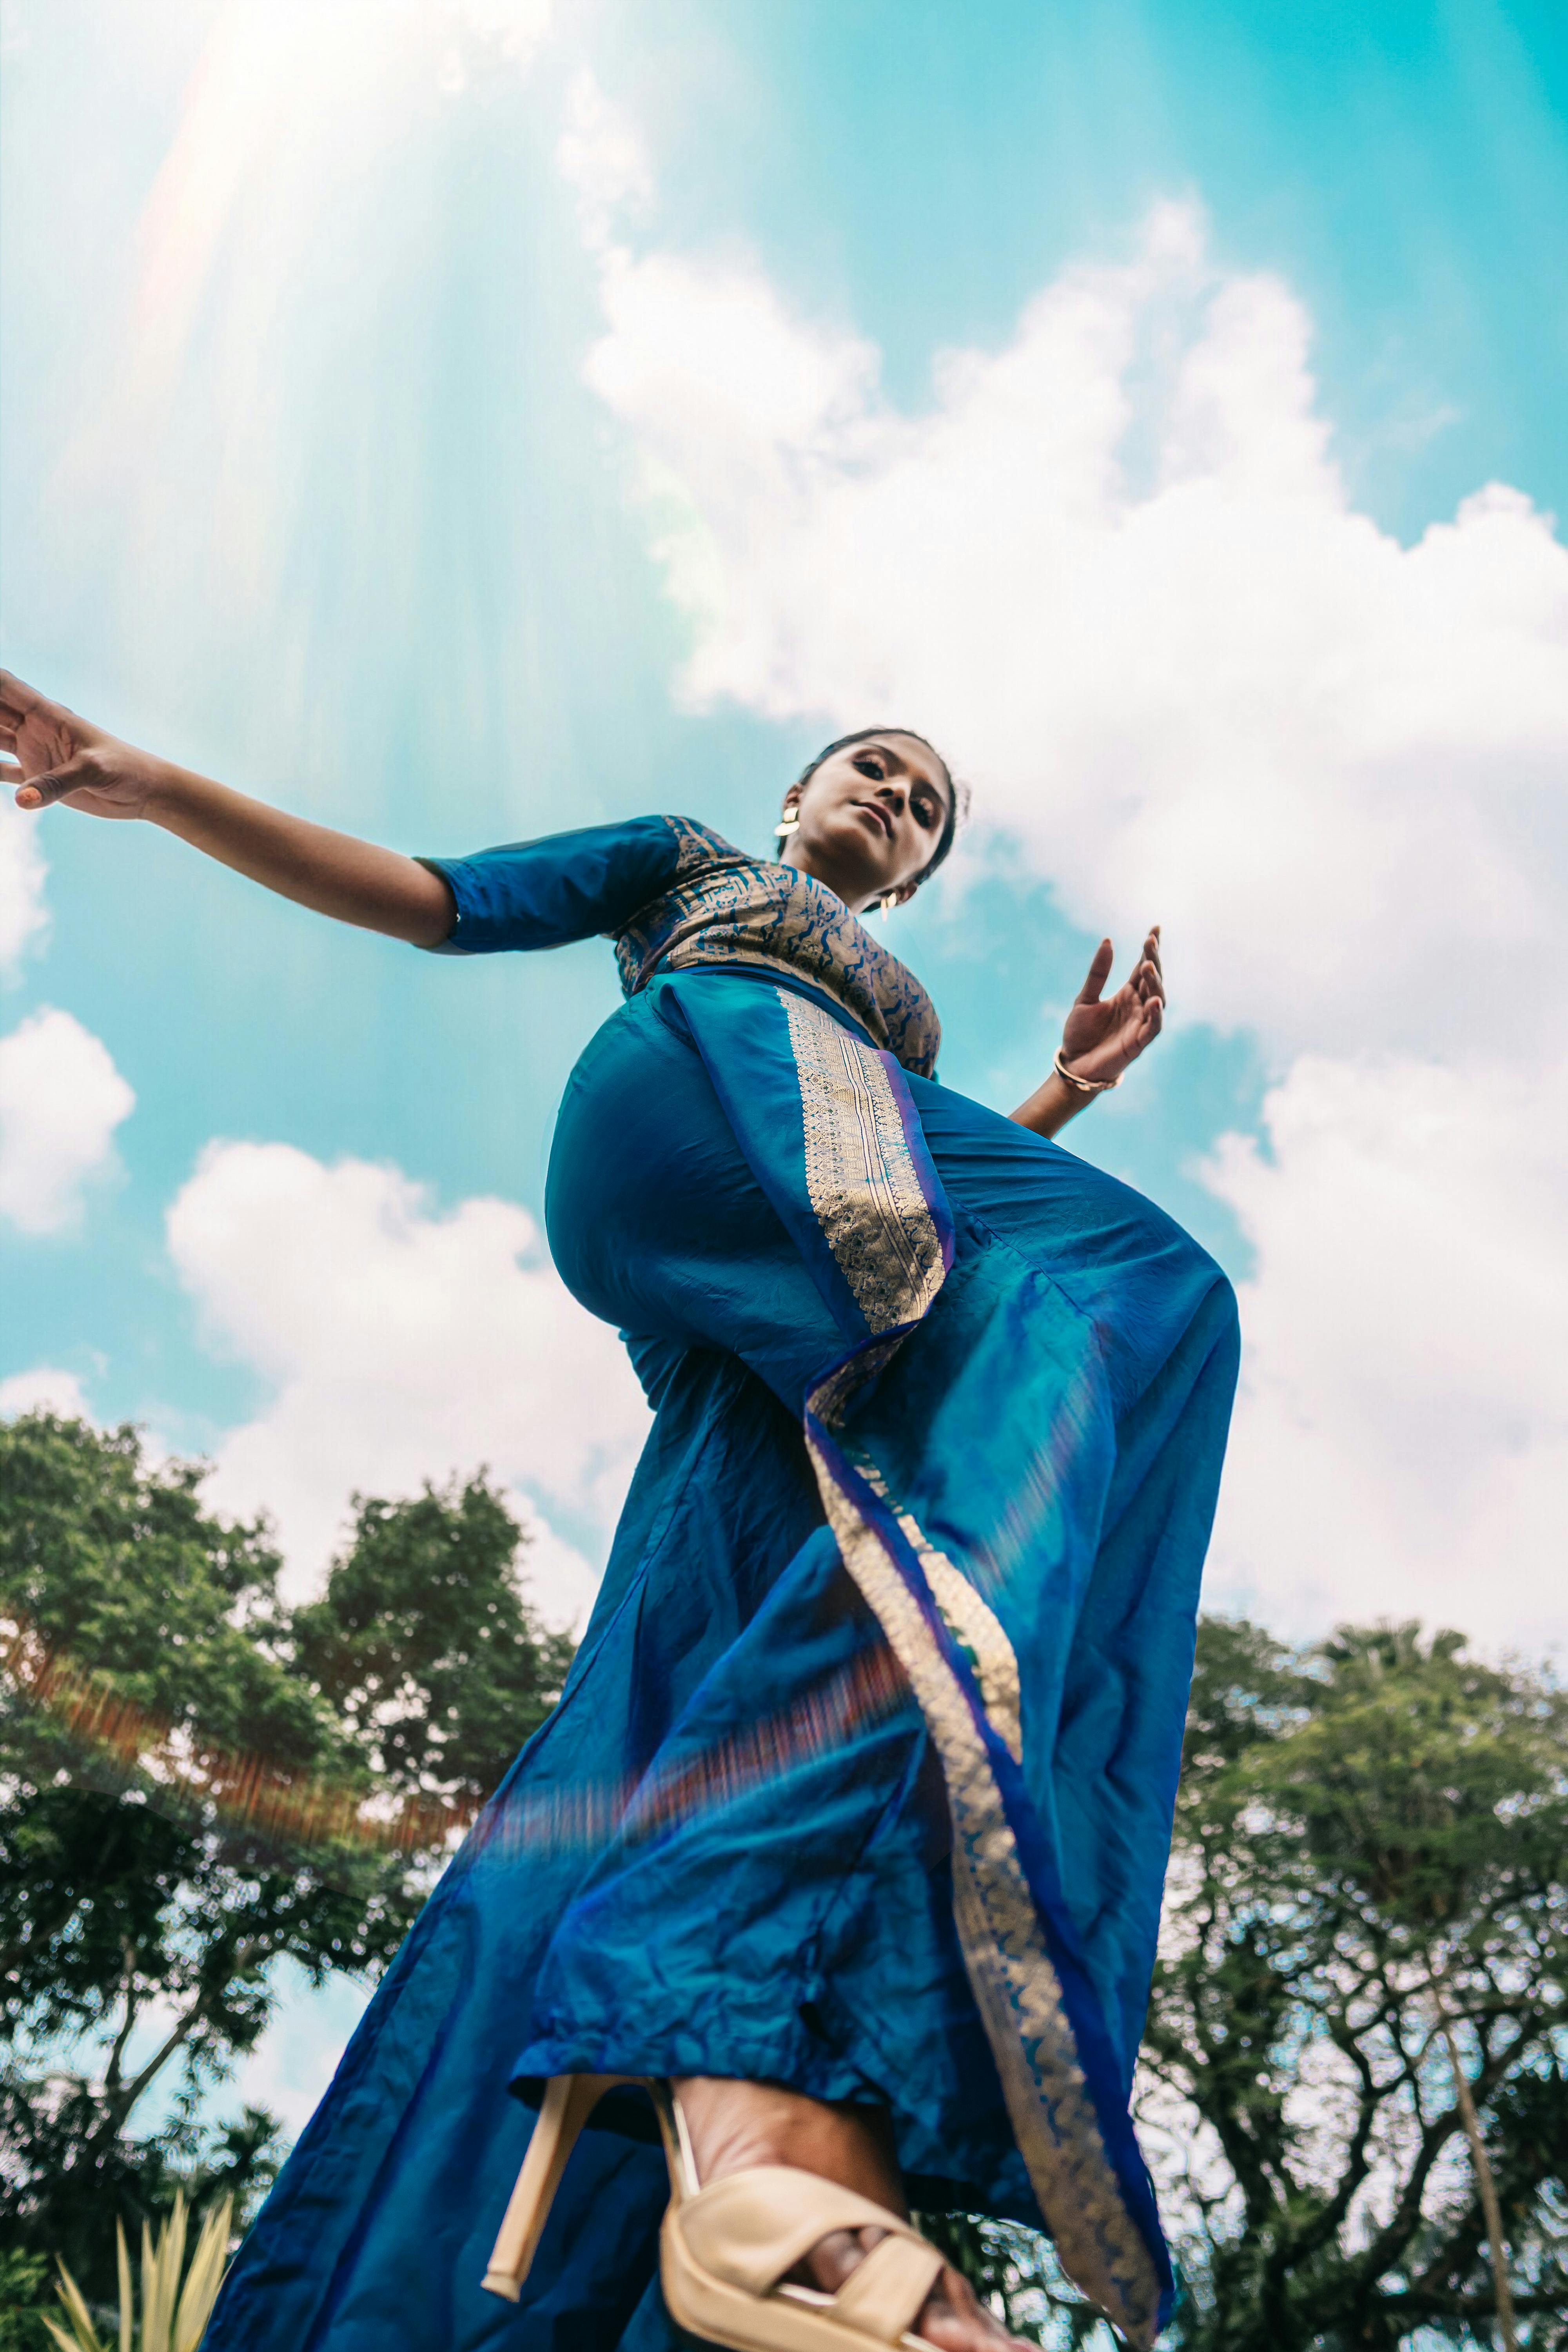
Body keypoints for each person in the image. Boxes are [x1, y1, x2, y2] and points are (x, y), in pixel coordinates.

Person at [3, 670, 1238, 2352]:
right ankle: (734, 1991)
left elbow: (928, 1236)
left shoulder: (913, 1032)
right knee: (1141, 1290)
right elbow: (446, 900)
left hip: (807, 1265)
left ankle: (742, 2190)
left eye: (926, 806)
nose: (894, 795)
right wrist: (148, 782)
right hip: (714, 1091)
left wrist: (1069, 1096)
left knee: (763, 1598)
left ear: (919, 879)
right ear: (801, 796)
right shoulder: (691, 863)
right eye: (872, 768)